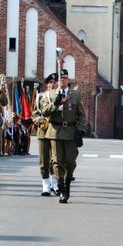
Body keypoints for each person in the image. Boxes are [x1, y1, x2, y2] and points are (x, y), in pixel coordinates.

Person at [40, 68, 86, 204]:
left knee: (70, 162)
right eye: (60, 78)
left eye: (65, 78)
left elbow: (81, 115)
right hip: (55, 131)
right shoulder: (50, 95)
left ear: (68, 80)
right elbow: (44, 112)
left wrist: (80, 131)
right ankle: (61, 188)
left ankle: (67, 183)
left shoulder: (75, 95)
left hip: (71, 131)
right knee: (57, 162)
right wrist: (55, 104)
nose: (62, 80)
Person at [32, 73, 59, 196]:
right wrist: (39, 121)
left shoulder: (61, 96)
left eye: (54, 82)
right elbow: (35, 114)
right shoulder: (40, 97)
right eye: (50, 82)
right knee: (43, 160)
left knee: (55, 159)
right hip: (43, 130)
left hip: (55, 131)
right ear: (47, 84)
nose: (52, 84)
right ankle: (45, 185)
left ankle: (55, 183)